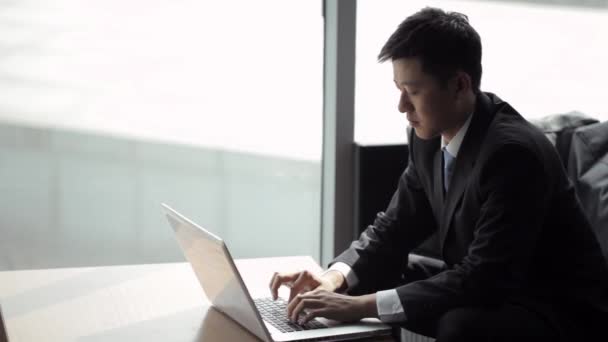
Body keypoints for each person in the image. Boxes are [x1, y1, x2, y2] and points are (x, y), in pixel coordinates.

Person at [269, 7, 608, 341]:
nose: (402, 106)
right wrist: (331, 281)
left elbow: (485, 277)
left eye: (413, 91)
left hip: (555, 308)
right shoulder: (428, 138)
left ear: (460, 85)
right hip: (492, 286)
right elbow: (394, 228)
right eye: (398, 89)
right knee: (374, 276)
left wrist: (357, 306)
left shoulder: (513, 153)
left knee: (460, 325)